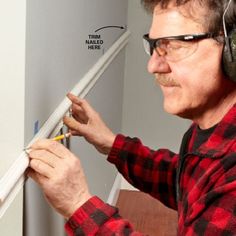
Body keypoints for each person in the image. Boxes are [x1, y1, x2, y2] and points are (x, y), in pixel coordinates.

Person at [27, 0, 236, 235]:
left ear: (231, 48)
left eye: (175, 45)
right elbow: (185, 184)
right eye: (155, 45)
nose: (153, 65)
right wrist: (111, 144)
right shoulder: (212, 132)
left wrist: (78, 203)